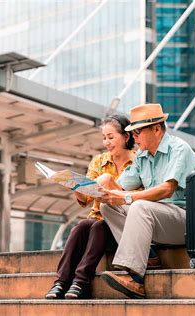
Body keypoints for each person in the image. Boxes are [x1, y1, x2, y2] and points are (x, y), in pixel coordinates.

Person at [98, 103, 195, 299]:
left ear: (156, 129)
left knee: (139, 206)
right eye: (132, 133)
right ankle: (149, 258)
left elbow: (167, 189)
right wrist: (94, 186)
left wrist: (127, 197)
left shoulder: (179, 149)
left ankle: (136, 280)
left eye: (137, 132)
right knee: (108, 206)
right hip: (158, 218)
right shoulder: (143, 157)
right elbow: (120, 188)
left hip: (187, 221)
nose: (134, 138)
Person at [45, 114, 136, 299]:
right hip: (96, 219)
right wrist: (75, 186)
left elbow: (137, 198)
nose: (106, 142)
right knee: (81, 227)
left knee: (98, 226)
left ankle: (80, 282)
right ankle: (61, 282)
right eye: (104, 138)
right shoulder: (99, 161)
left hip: (123, 222)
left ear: (126, 137)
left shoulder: (139, 161)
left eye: (111, 137)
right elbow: (86, 199)